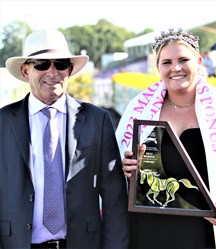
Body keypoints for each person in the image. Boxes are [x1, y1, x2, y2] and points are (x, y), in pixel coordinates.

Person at [0, 29, 129, 249]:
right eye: (41, 64)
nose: (53, 72)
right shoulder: (2, 122)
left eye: (60, 64)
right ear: (25, 71)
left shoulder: (97, 120)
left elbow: (114, 198)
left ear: (69, 70)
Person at [116, 28, 216, 249]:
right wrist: (124, 165)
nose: (175, 68)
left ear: (199, 61)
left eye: (183, 59)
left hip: (202, 226)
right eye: (166, 62)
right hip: (148, 224)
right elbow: (114, 161)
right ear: (158, 68)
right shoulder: (138, 109)